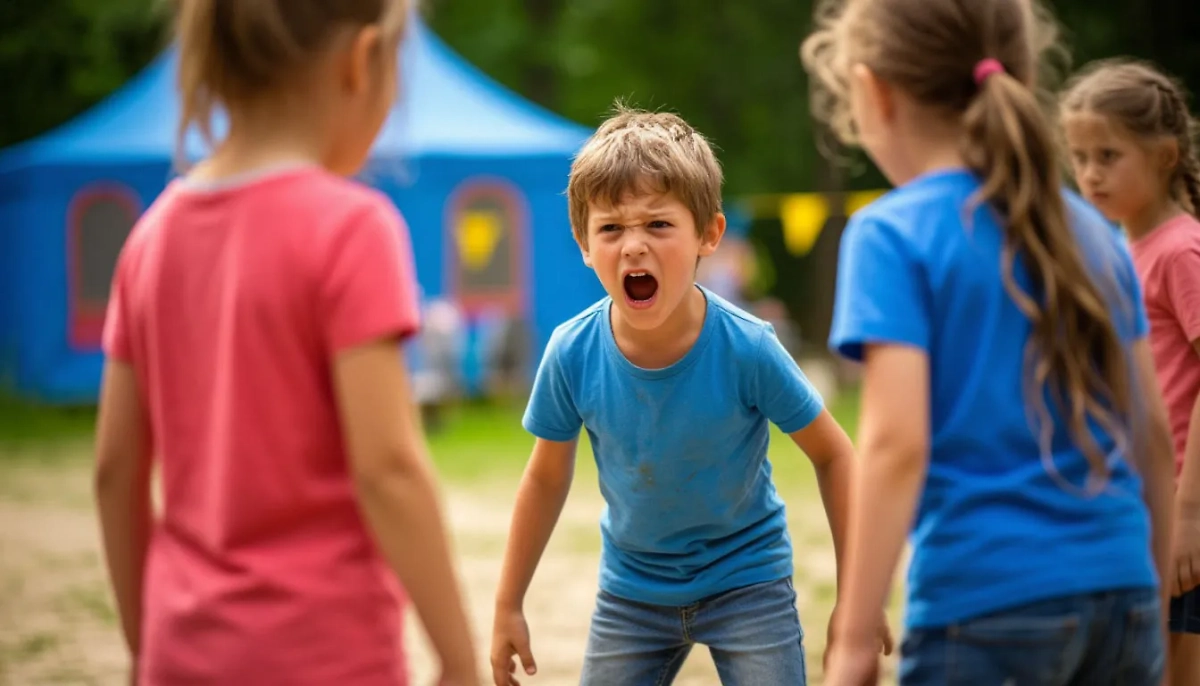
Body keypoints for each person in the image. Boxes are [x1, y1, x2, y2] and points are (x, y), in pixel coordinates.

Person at [91, 1, 479, 684]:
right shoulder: (352, 229)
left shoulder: (148, 239)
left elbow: (115, 471)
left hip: (181, 652)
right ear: (361, 61)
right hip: (325, 654)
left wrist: (142, 642)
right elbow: (388, 468)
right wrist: (457, 660)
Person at [800, 0, 1177, 683]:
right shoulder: (1091, 230)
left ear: (871, 91)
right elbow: (1149, 429)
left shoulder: (890, 234)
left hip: (986, 609)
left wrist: (854, 637)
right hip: (1123, 594)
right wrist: (1144, 584)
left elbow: (896, 447)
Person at [488, 106, 891, 686]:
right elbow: (545, 478)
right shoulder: (571, 352)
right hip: (632, 590)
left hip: (748, 582)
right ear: (583, 242)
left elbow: (834, 453)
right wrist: (507, 604)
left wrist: (858, 597)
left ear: (710, 234)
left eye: (657, 225)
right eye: (611, 228)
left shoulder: (748, 348)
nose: (633, 247)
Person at [1062, 58, 1200, 686]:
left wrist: (1190, 514)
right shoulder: (1120, 250)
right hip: (1135, 502)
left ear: (1166, 154)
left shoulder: (1180, 249)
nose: (1090, 174)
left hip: (1179, 505)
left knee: (1174, 666)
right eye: (1080, 156)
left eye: (1108, 156)